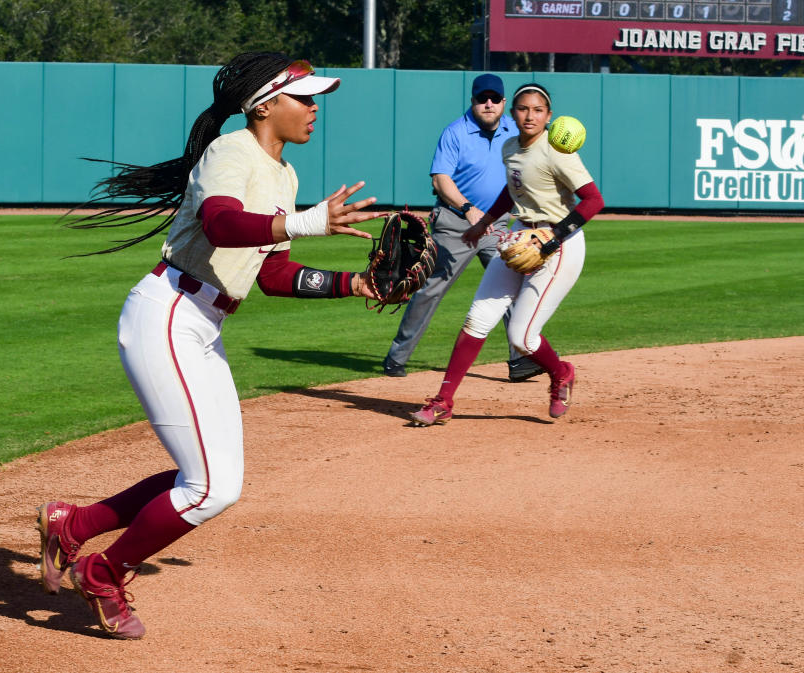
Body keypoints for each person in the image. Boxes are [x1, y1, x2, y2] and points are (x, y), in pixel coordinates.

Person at [36, 52, 382, 639]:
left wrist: (355, 284)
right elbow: (222, 225)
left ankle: (74, 525)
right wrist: (305, 222)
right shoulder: (230, 152)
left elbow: (273, 276)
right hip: (168, 313)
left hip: (203, 325)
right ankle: (103, 570)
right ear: (266, 104)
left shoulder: (285, 175)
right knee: (210, 487)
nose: (315, 107)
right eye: (305, 97)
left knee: (212, 477)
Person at [409, 82, 604, 426]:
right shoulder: (510, 146)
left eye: (538, 110)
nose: (530, 115)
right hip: (520, 236)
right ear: (513, 113)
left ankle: (561, 373)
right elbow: (511, 190)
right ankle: (443, 401)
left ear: (549, 117)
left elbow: (594, 201)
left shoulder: (557, 152)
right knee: (478, 318)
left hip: (560, 243)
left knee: (521, 336)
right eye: (523, 109)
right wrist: (482, 223)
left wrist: (554, 237)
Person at [382, 73, 543, 383]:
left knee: (510, 286)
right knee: (430, 290)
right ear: (472, 101)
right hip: (456, 223)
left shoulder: (514, 129)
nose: (488, 104)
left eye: (494, 99)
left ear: (503, 103)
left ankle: (520, 358)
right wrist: (467, 208)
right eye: (482, 98)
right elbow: (440, 179)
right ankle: (396, 357)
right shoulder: (456, 132)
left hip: (495, 224)